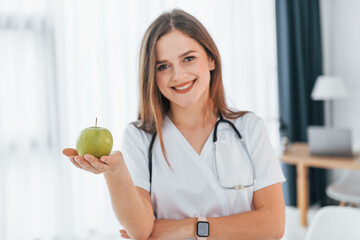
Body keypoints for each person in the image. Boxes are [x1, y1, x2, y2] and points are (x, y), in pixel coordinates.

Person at [63, 8, 286, 240]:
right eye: (163, 66)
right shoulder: (139, 136)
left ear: (211, 59)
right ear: (152, 75)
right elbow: (141, 231)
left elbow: (273, 225)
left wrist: (191, 227)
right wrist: (115, 171)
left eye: (188, 59)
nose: (178, 75)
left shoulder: (249, 128)